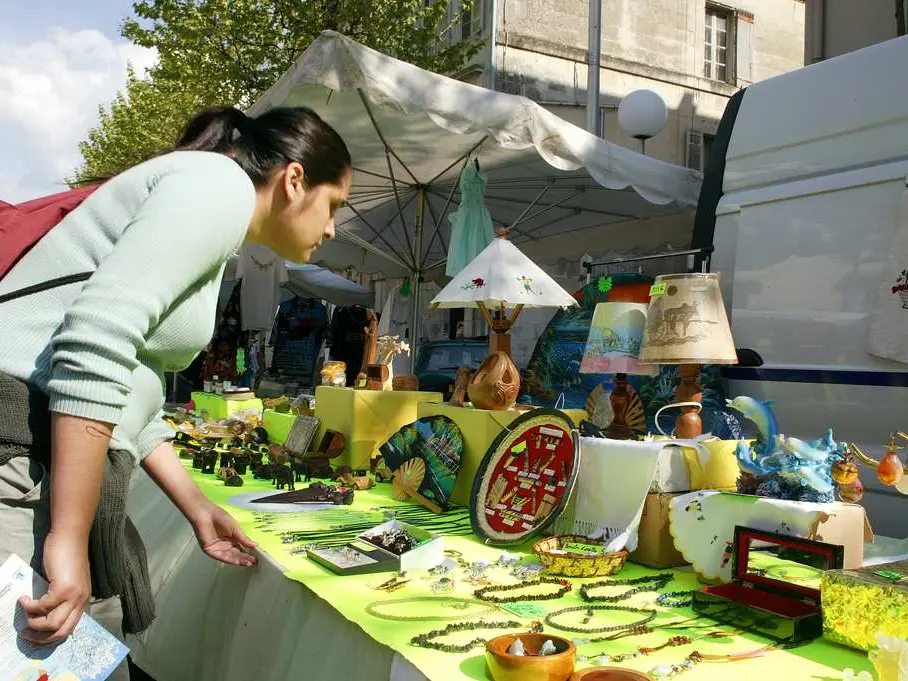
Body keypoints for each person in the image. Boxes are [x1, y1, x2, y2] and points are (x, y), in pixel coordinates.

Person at [0, 106, 352, 675]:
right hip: (21, 466)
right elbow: (95, 345)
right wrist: (66, 537)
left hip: (44, 466)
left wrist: (197, 507)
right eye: (333, 205)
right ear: (294, 181)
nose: (332, 228)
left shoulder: (213, 208)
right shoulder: (217, 187)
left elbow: (132, 388)